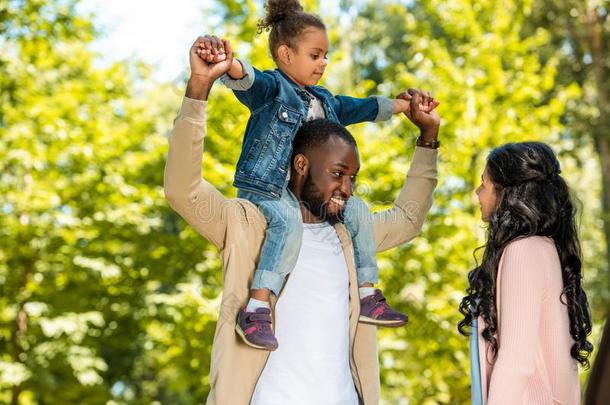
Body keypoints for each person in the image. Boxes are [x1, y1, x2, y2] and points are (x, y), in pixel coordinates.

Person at [164, 35, 440, 404]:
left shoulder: (350, 236)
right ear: (301, 166)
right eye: (338, 174)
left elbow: (408, 218)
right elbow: (184, 191)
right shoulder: (249, 225)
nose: (347, 188)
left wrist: (428, 136)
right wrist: (198, 90)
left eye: (353, 178)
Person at [194, 0, 438, 350]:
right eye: (315, 55)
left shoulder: (326, 101)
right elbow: (248, 79)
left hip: (303, 196)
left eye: (326, 55)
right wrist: (227, 62)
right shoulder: (273, 90)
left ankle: (369, 295)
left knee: (360, 212)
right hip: (268, 188)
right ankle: (258, 307)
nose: (323, 62)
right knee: (288, 221)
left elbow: (364, 107)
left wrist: (403, 106)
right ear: (285, 54)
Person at [459, 142, 594, 405]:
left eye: (484, 184)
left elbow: (517, 359)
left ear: (506, 194)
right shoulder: (544, 247)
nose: (478, 193)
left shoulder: (523, 250)